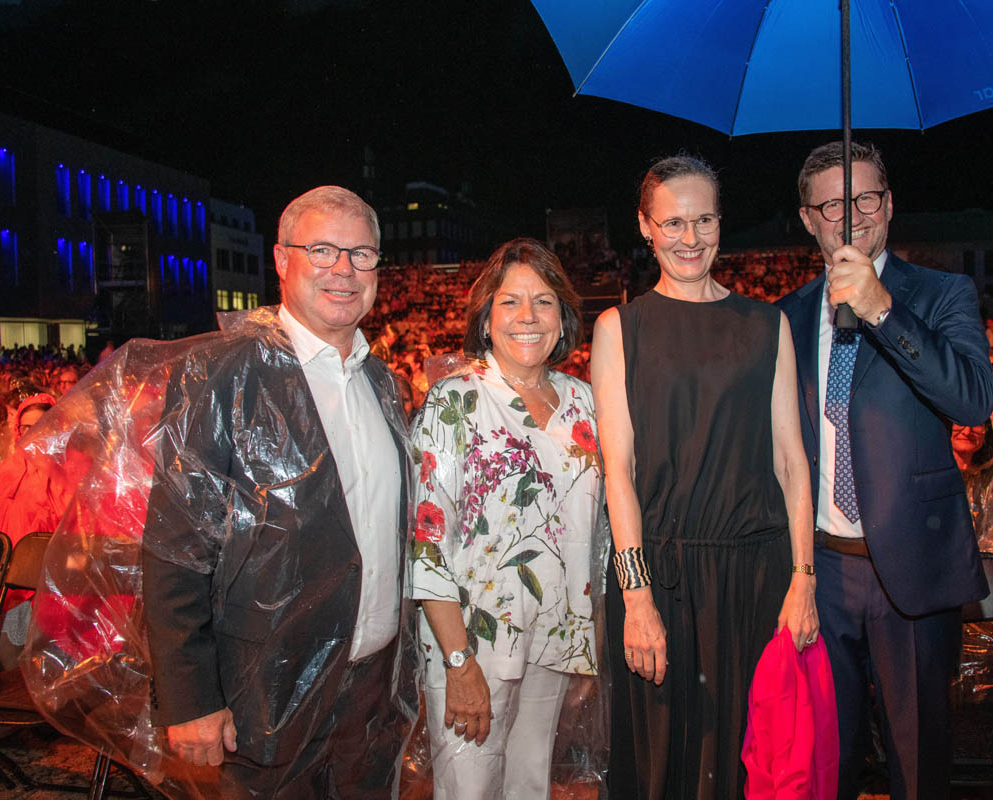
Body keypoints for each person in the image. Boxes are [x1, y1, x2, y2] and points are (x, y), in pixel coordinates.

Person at [141, 186, 417, 798]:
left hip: (373, 689)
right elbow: (175, 549)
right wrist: (190, 697)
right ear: (281, 259)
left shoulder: (382, 383)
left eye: (361, 254)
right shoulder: (221, 373)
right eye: (322, 250)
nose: (343, 269)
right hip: (264, 690)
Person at [592, 154, 817, 800]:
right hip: (659, 579)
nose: (689, 238)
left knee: (754, 763)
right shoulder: (620, 328)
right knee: (662, 767)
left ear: (721, 221)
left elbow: (791, 463)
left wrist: (804, 579)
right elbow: (619, 474)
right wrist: (637, 598)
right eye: (673, 223)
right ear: (645, 226)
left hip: (756, 576)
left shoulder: (767, 325)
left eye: (704, 220)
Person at [777, 141, 993, 800]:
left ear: (890, 204)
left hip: (915, 567)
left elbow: (971, 400)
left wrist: (881, 309)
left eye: (865, 197)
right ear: (808, 219)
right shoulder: (786, 316)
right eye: (831, 205)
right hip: (820, 572)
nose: (851, 215)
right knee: (827, 761)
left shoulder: (942, 293)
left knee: (919, 760)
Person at [410, 237, 604, 799]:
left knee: (529, 787)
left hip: (554, 642)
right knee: (469, 791)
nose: (528, 316)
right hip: (474, 645)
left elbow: (595, 532)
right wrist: (458, 661)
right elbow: (426, 544)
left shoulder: (584, 402)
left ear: (563, 319)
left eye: (543, 301)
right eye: (510, 301)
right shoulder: (454, 401)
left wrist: (585, 643)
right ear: (486, 319)